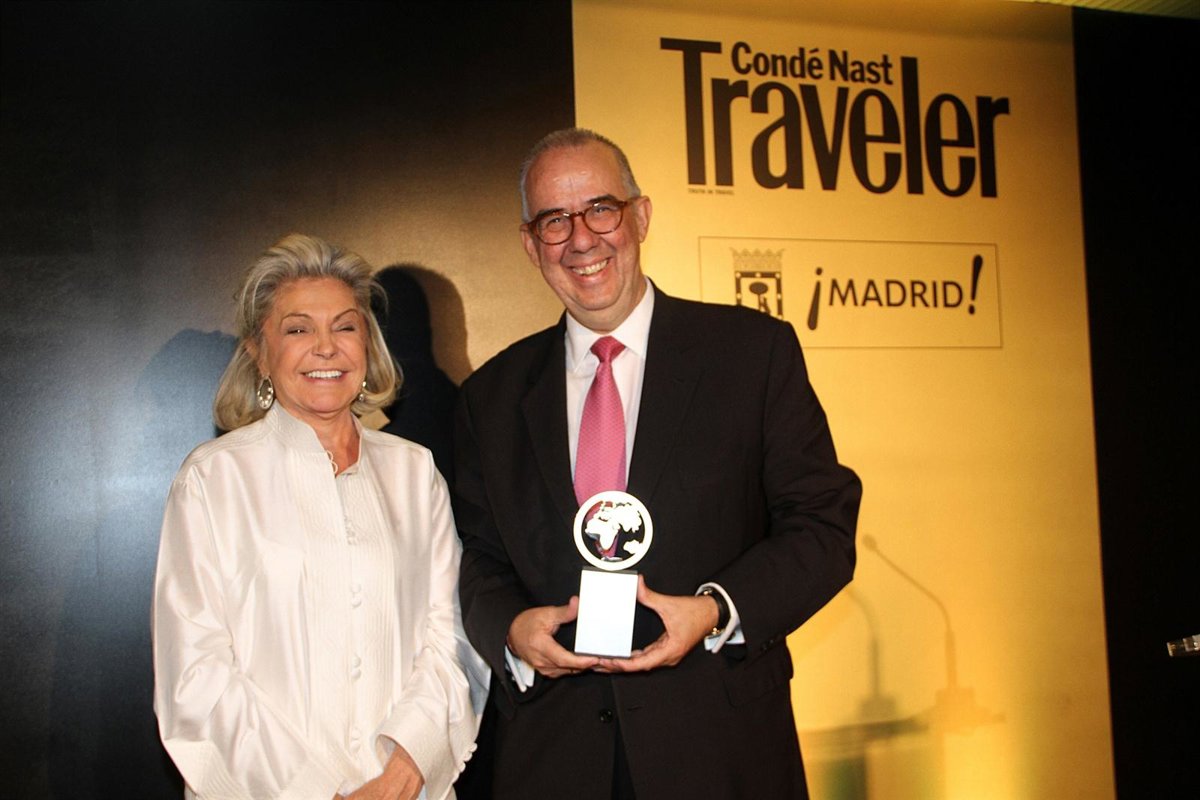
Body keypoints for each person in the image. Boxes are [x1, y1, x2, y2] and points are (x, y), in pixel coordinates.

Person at [453, 129, 862, 799]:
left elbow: (821, 528)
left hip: (719, 749)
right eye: (554, 220)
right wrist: (511, 631)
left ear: (640, 216)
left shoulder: (751, 355)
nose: (581, 239)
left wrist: (715, 609)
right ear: (530, 244)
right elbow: (478, 557)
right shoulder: (490, 398)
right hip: (554, 757)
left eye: (601, 209)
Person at [153, 234, 488, 800]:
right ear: (259, 353)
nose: (326, 348)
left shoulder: (414, 472)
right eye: (298, 329)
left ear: (368, 345)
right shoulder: (213, 480)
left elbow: (452, 634)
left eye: (345, 326)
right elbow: (195, 674)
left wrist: (407, 766)